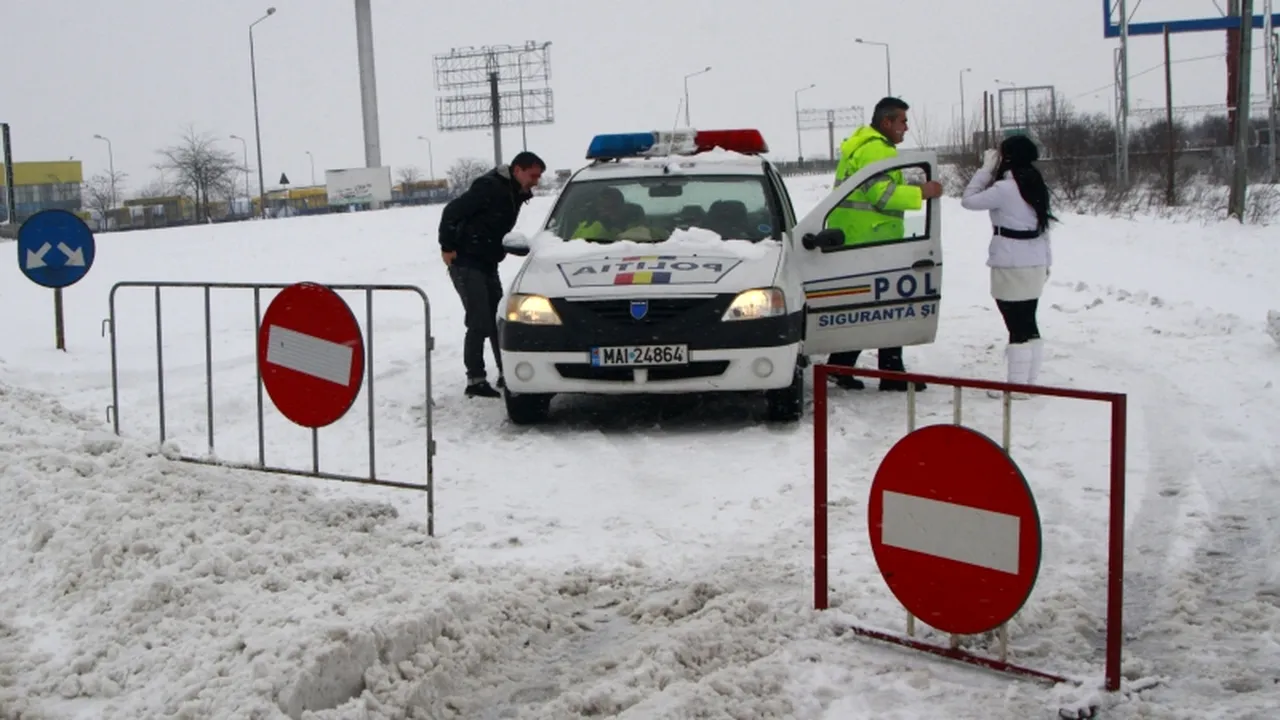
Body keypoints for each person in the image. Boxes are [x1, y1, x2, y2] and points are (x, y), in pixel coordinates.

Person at [826, 96, 943, 392]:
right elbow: (882, 196)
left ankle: (841, 367)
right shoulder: (877, 150)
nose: (906, 127)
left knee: (867, 308)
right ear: (886, 122)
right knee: (890, 307)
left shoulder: (863, 146)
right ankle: (891, 374)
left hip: (859, 237)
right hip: (874, 241)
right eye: (902, 121)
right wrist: (922, 192)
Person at [438, 151, 546, 398]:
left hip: (486, 262)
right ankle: (475, 380)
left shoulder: (514, 193)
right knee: (479, 321)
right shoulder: (490, 187)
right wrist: (447, 246)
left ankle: (506, 374)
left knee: (499, 319)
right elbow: (452, 211)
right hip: (466, 261)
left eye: (538, 176)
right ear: (518, 170)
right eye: (533, 175)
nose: (536, 181)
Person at [958, 135, 1056, 398]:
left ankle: (1017, 388)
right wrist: (1047, 261)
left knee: (1016, 325)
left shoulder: (1005, 188)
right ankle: (1028, 382)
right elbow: (1044, 227)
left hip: (1011, 263)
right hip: (1034, 260)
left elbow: (968, 200)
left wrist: (985, 170)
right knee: (1028, 322)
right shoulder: (1035, 183)